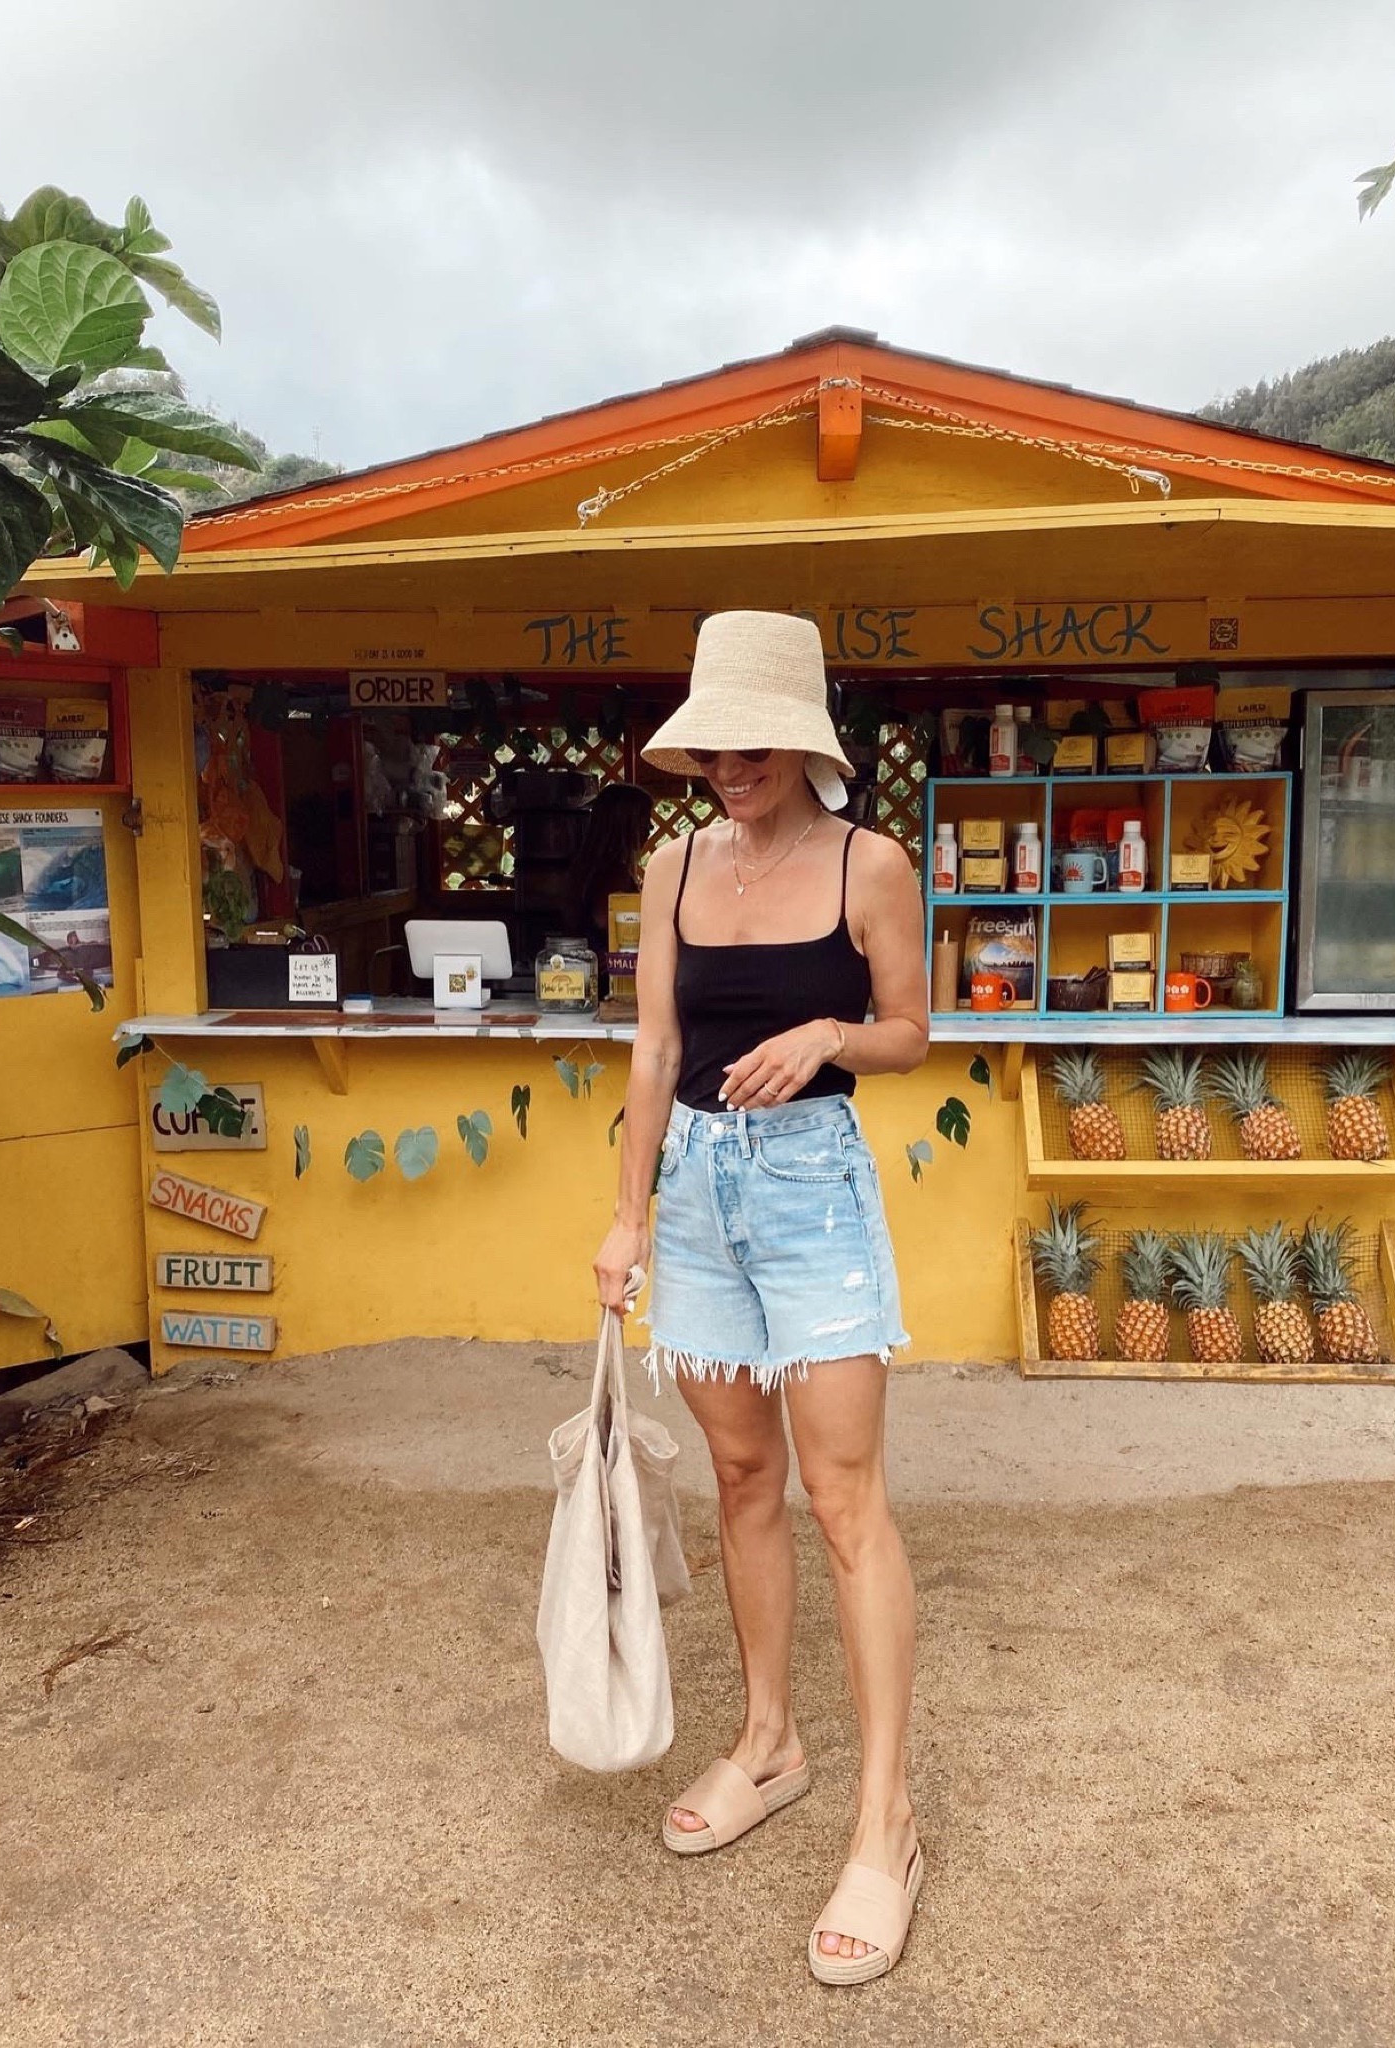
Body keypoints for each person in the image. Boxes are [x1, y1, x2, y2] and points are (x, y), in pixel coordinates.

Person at [592, 610, 931, 1986]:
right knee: (742, 1476)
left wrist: (832, 1034)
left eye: (750, 742)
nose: (727, 764)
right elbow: (655, 1050)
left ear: (802, 740)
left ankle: (885, 1822)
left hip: (812, 1194)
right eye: (709, 743)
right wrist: (625, 1219)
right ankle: (771, 1740)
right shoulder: (673, 869)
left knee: (846, 1501)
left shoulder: (872, 865)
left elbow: (913, 1030)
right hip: (698, 1201)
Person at [564, 780, 653, 961]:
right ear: (626, 824)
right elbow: (610, 925)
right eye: (645, 819)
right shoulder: (612, 877)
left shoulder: (588, 869)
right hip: (609, 977)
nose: (650, 827)